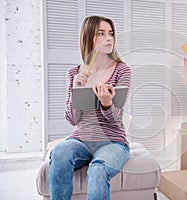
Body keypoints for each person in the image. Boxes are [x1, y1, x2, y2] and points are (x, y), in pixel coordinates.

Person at [48, 16, 131, 200]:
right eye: (101, 34)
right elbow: (72, 119)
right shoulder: (74, 74)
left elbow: (117, 120)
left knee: (98, 169)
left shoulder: (122, 71)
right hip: (81, 139)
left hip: (113, 141)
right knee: (59, 153)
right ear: (88, 38)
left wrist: (107, 103)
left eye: (111, 33)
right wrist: (76, 89)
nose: (108, 38)